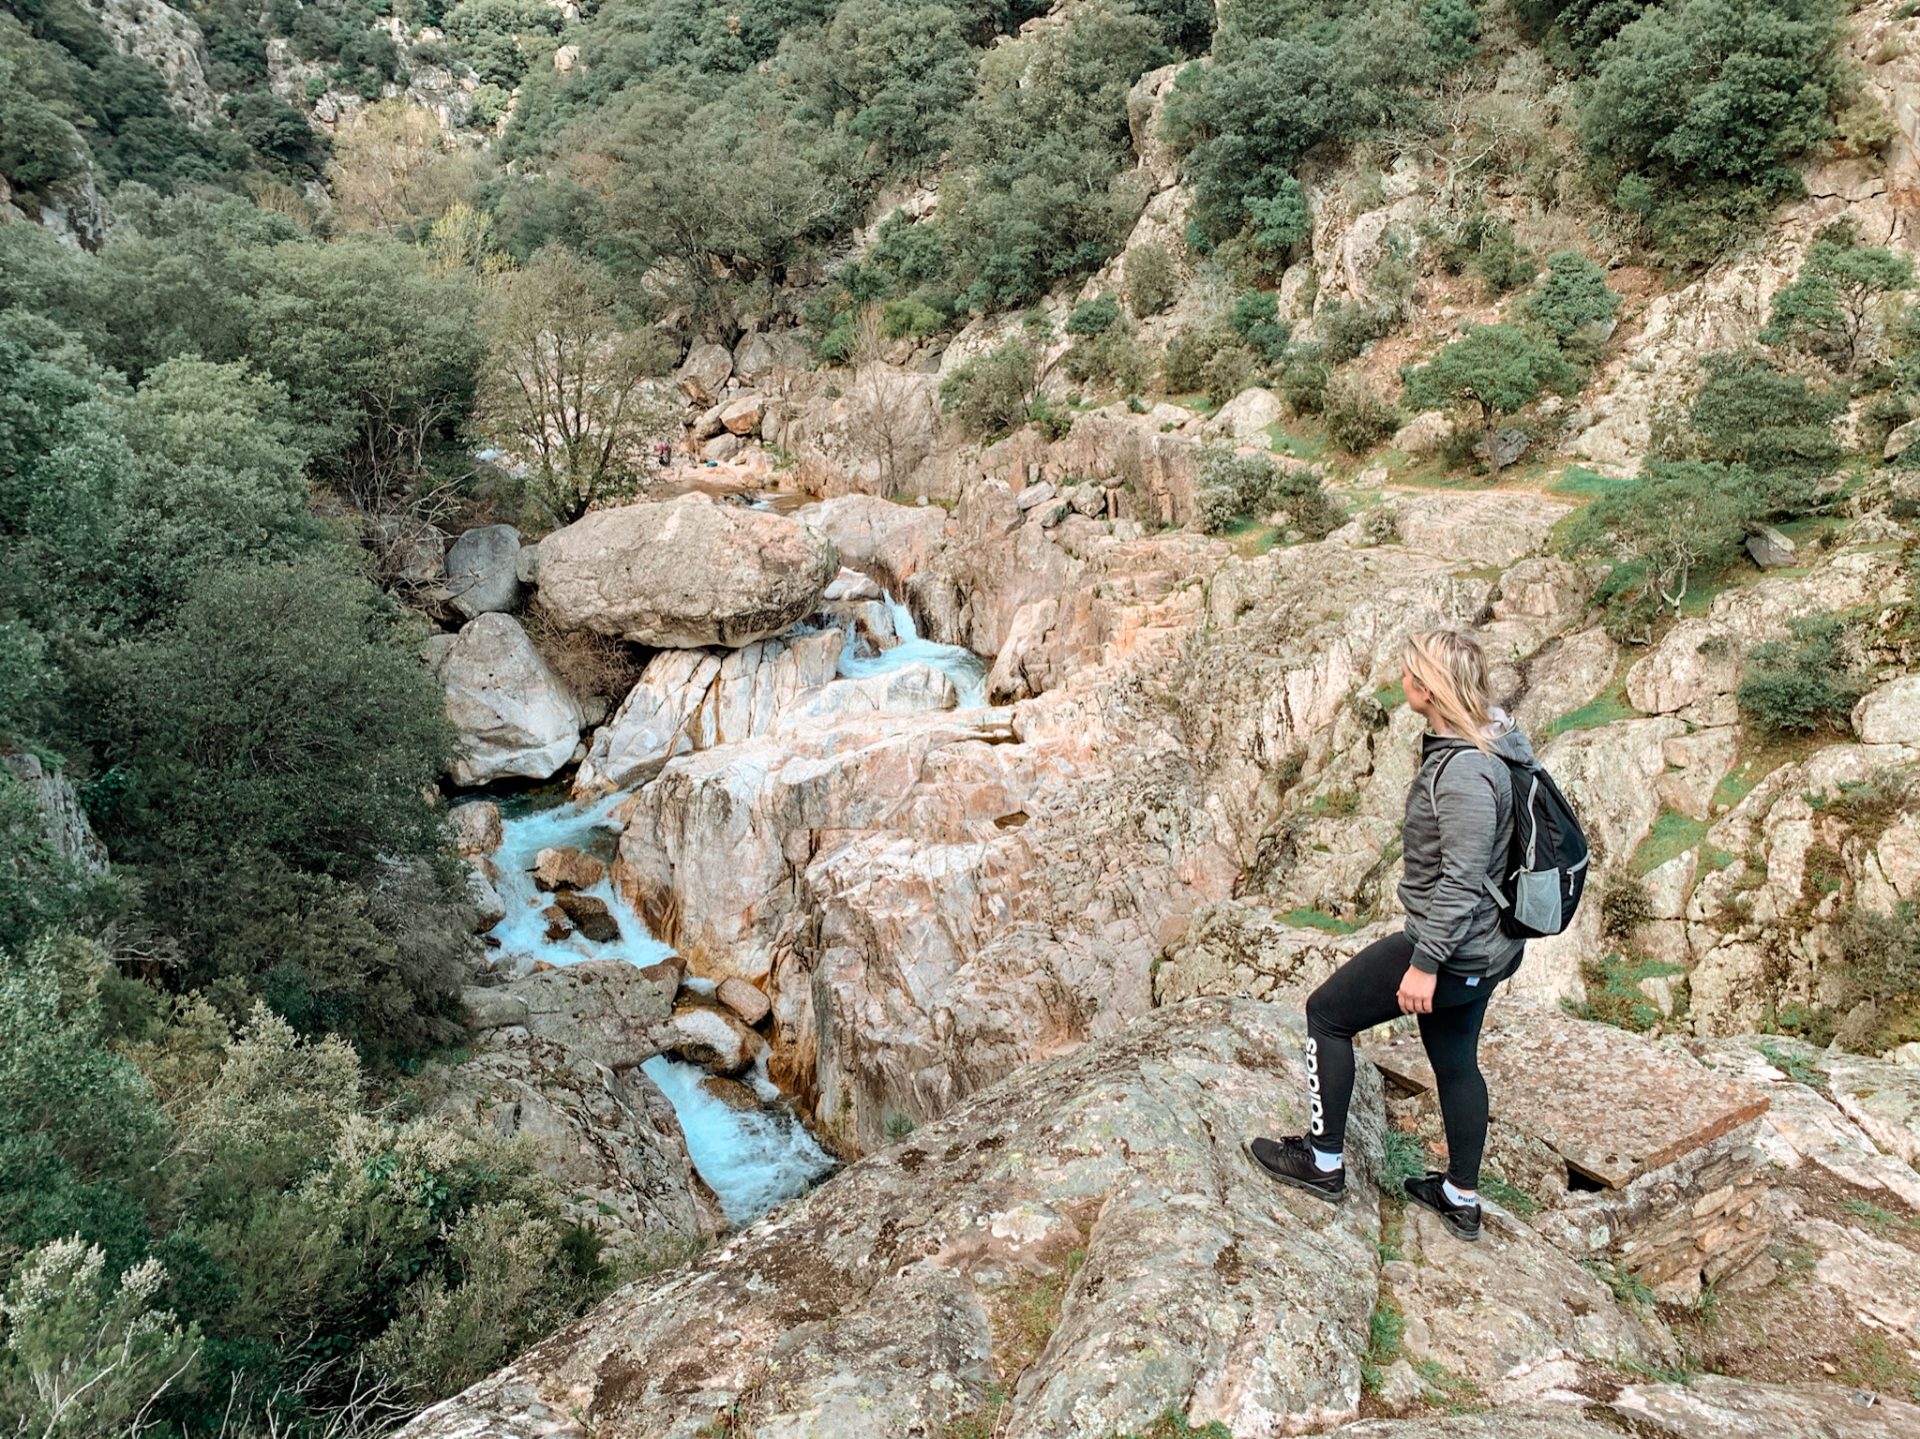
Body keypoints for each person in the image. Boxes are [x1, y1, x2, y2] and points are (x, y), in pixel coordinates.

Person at [1244, 628, 1532, 1242]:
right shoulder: (1493, 741)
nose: (1401, 680)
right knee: (1455, 1061)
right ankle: (1459, 1195)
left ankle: (1322, 1163)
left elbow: (1461, 878)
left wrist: (1426, 962)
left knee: (1326, 1014)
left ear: (1426, 690)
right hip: (1486, 944)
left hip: (1455, 948)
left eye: (1408, 673)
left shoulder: (1464, 775)